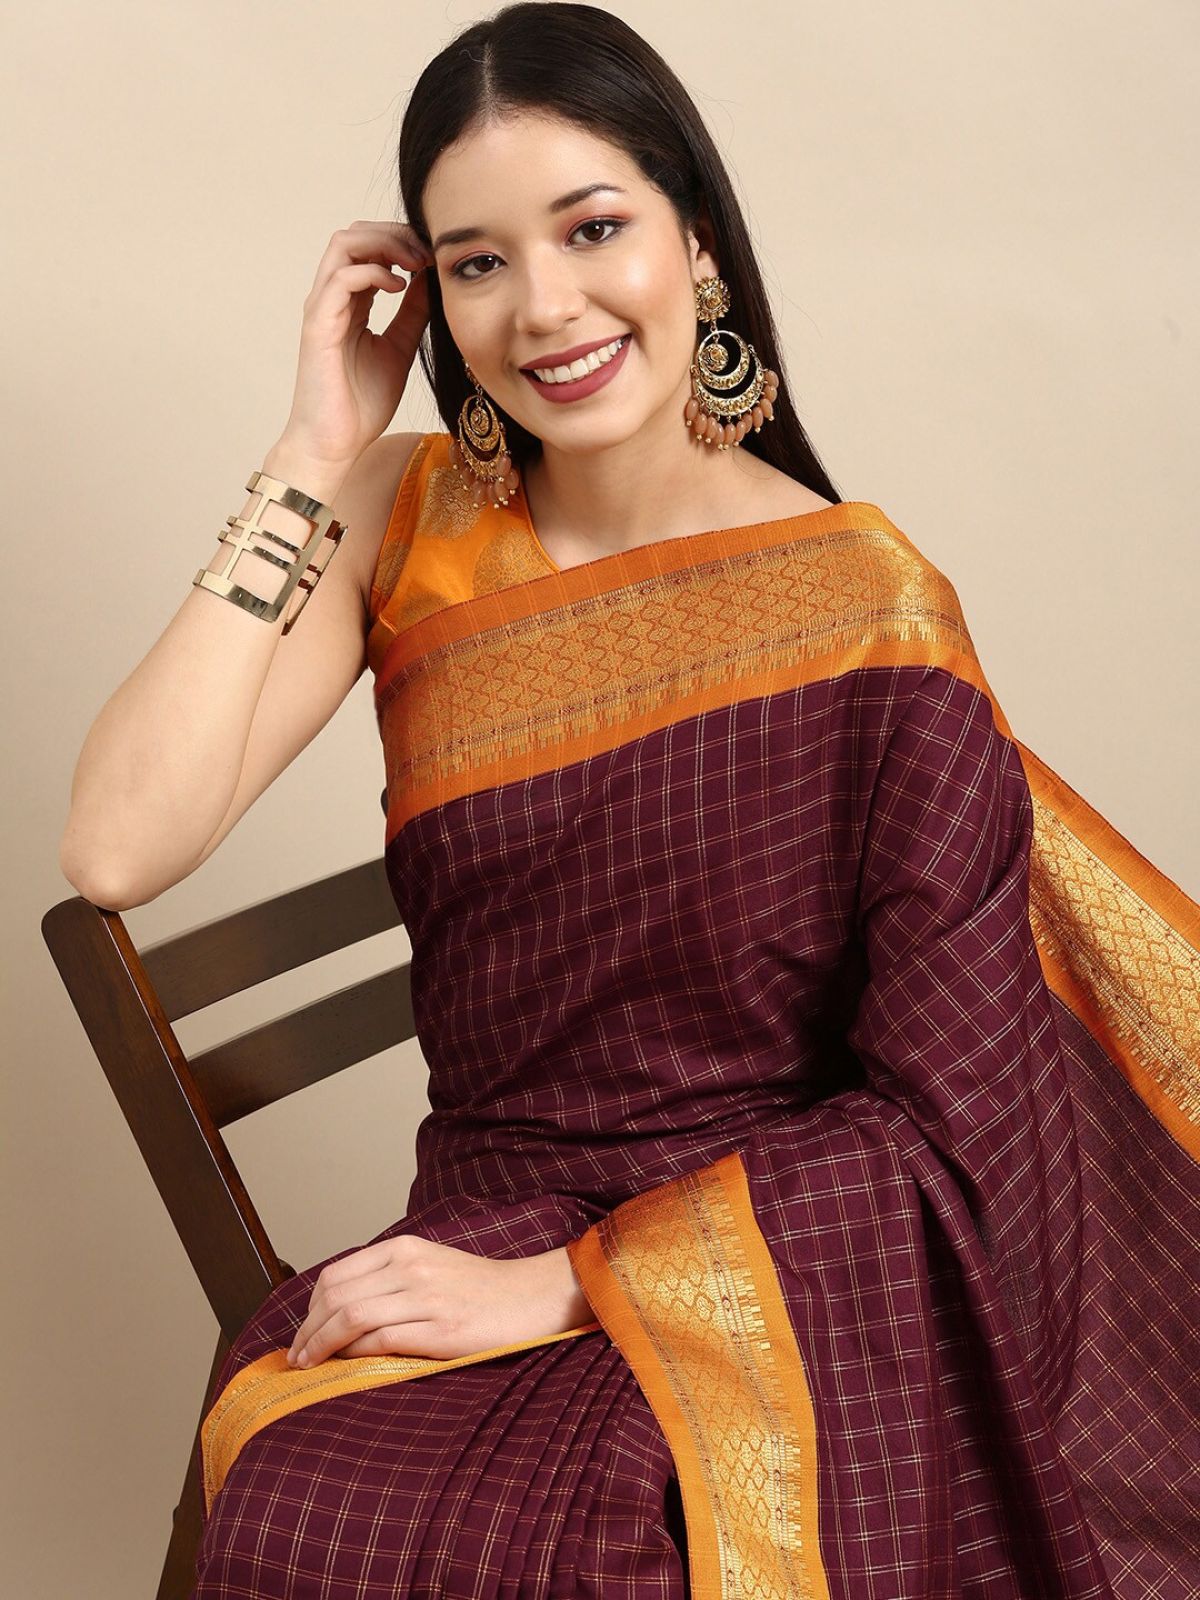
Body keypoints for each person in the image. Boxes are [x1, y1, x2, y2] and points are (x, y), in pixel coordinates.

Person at [59, 5, 1199, 1597]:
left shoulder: (865, 609)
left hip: (780, 1257)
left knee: (646, 1541)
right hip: (485, 1202)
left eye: (593, 229)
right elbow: (117, 843)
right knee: (320, 1482)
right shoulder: (404, 517)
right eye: (478, 262)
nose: (545, 308)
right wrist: (313, 448)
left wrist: (575, 1284)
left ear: (697, 242)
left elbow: (944, 1117)